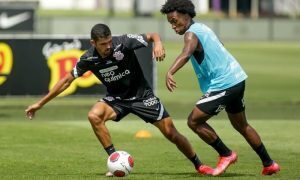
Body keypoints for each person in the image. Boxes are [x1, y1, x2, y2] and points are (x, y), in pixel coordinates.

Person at [25, 23, 214, 176]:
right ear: (93, 43)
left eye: (109, 42)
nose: (108, 46)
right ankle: (115, 160)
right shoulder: (88, 59)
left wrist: (157, 43)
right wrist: (40, 103)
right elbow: (66, 80)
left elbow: (152, 35)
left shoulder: (123, 42)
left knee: (171, 133)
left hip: (142, 96)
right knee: (94, 115)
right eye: (103, 44)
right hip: (116, 99)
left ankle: (199, 165)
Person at [160, 0, 280, 176]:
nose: (172, 25)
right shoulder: (203, 28)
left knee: (194, 121)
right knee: (241, 125)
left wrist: (170, 71)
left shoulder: (191, 34)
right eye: (169, 22)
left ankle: (226, 154)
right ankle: (269, 164)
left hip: (225, 83)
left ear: (186, 15)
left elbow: (187, 53)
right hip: (237, 79)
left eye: (174, 20)